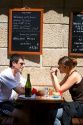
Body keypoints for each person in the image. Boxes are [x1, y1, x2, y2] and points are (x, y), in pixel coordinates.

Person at [50, 56, 83, 125]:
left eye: (60, 67)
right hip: (76, 105)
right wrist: (53, 77)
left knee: (54, 114)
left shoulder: (74, 75)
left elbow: (59, 90)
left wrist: (55, 76)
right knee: (53, 109)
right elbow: (58, 86)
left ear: (66, 67)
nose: (58, 68)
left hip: (80, 107)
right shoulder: (69, 74)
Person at [0, 54, 28, 125]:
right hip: (1, 104)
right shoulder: (6, 74)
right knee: (23, 116)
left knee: (28, 109)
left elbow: (26, 85)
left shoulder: (17, 73)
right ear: (13, 63)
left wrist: (27, 89)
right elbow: (20, 91)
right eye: (21, 64)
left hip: (9, 101)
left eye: (24, 64)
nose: (23, 66)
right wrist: (29, 90)